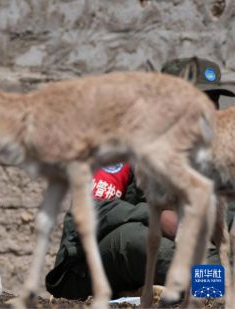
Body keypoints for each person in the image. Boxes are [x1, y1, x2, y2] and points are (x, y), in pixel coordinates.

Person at [45, 57, 235, 300]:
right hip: (87, 267)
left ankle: (168, 291)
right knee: (138, 239)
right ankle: (211, 292)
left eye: (212, 103)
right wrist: (159, 217)